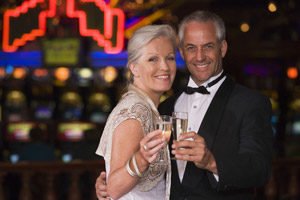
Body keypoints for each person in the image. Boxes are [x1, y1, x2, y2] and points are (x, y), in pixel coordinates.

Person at [96, 10, 273, 200]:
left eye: (208, 47)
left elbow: (259, 170)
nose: (199, 56)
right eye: (191, 48)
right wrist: (110, 183)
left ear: (222, 48)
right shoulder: (165, 108)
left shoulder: (251, 103)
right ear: (182, 51)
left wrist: (211, 161)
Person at [95, 24, 177, 199]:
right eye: (152, 59)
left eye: (170, 58)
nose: (165, 67)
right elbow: (114, 189)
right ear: (134, 67)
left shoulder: (148, 107)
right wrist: (141, 158)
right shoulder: (135, 111)